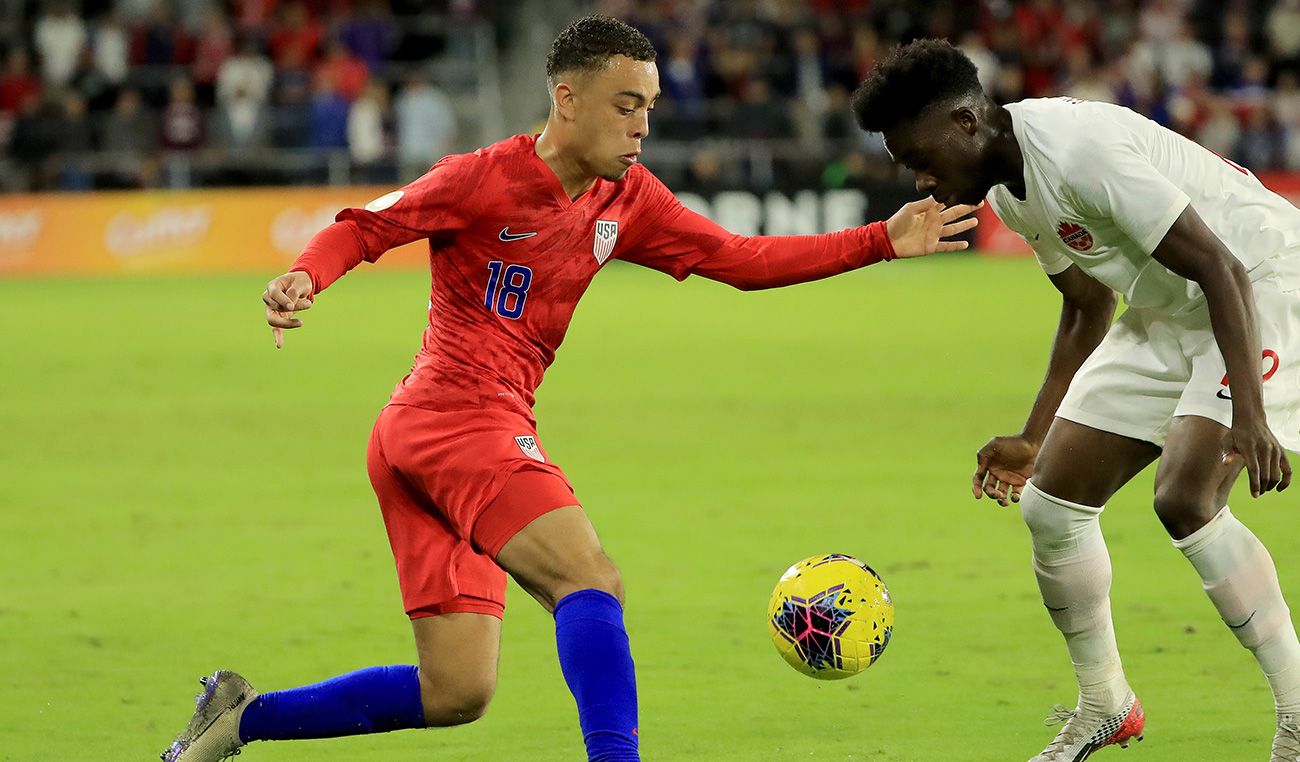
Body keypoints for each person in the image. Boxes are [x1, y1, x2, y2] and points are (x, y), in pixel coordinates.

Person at [160, 17, 978, 762]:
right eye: (627, 105)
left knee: (456, 693)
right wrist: (305, 276)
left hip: (428, 436)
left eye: (650, 108)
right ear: (567, 99)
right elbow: (366, 225)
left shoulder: (631, 198)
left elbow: (738, 260)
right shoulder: (481, 178)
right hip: (454, 418)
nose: (642, 126)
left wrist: (878, 241)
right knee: (589, 581)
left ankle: (238, 721)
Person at [851, 38, 1300, 762]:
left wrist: (1249, 413)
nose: (919, 182)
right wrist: (1035, 437)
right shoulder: (1005, 185)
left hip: (1262, 285)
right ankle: (1106, 704)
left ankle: (1299, 711)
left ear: (968, 122)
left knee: (1186, 497)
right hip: (1174, 307)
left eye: (920, 158)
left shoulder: (1077, 149)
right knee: (1052, 504)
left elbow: (1219, 266)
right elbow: (1086, 303)